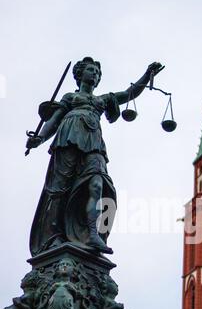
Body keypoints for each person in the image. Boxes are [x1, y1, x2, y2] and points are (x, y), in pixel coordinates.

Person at [26, 57, 163, 255]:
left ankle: (92, 233)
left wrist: (147, 75)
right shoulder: (70, 98)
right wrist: (39, 138)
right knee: (60, 190)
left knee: (98, 184)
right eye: (91, 70)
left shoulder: (102, 100)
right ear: (80, 74)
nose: (95, 74)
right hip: (68, 138)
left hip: (93, 142)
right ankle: (54, 236)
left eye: (98, 73)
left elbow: (128, 93)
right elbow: (54, 121)